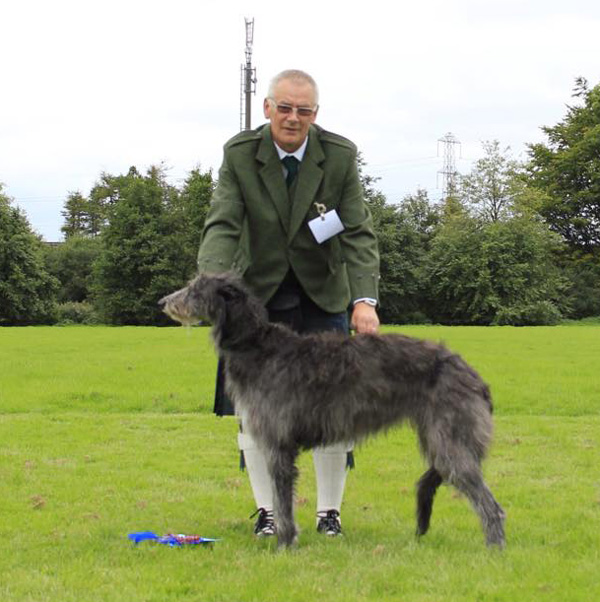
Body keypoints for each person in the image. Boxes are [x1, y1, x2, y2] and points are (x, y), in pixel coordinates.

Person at [197, 69, 380, 537]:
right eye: (284, 108)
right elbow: (223, 223)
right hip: (258, 299)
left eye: (303, 111)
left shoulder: (339, 155)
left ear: (315, 115)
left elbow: (357, 231)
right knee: (254, 409)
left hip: (323, 294)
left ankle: (329, 514)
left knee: (334, 405)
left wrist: (364, 300)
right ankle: (268, 513)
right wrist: (212, 283)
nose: (293, 119)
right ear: (267, 108)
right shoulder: (240, 154)